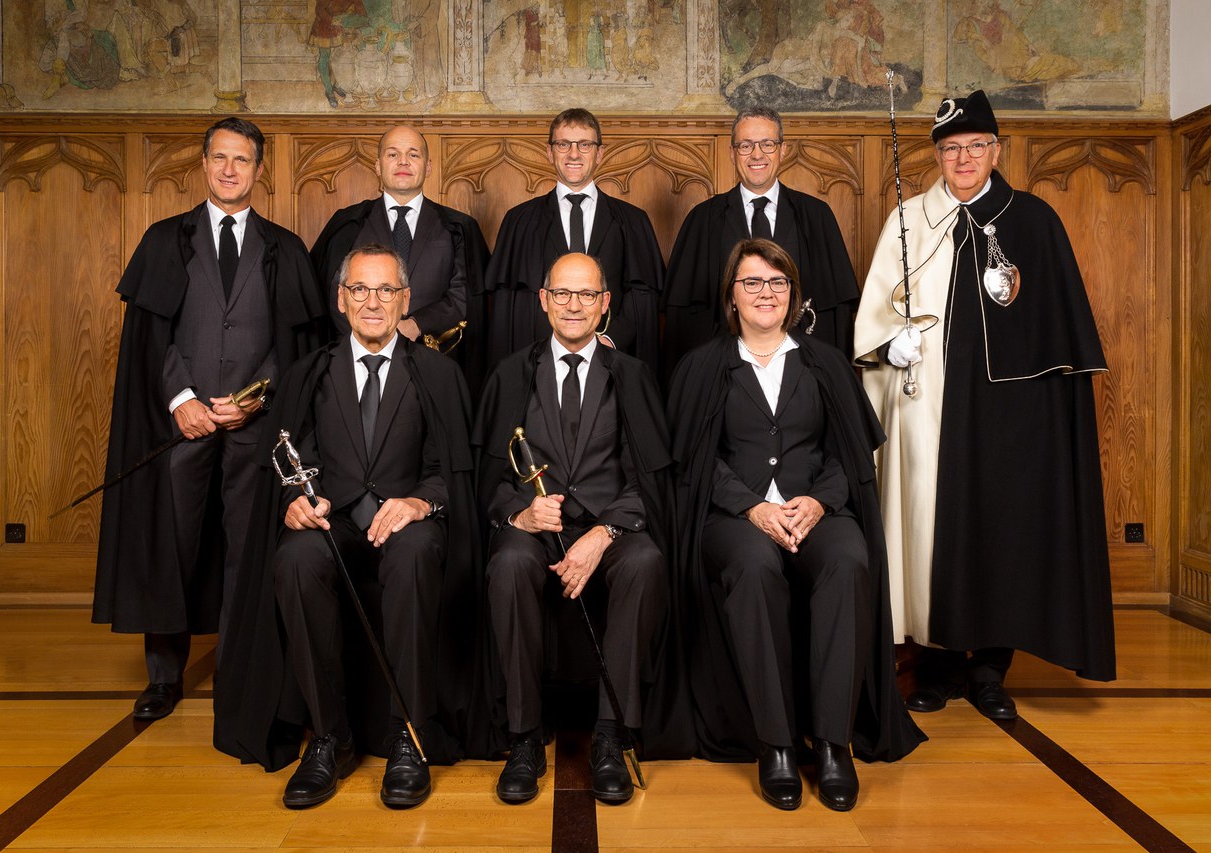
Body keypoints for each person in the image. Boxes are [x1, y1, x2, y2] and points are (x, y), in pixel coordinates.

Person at [853, 90, 1115, 721]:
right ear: (937, 156)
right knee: (928, 530)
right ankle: (938, 664)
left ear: (997, 151)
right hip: (927, 411)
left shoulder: (1034, 221)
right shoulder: (908, 220)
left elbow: (1057, 329)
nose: (964, 159)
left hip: (1013, 419)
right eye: (951, 148)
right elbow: (873, 320)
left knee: (1005, 532)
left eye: (976, 146)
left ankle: (991, 669)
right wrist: (892, 344)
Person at [213, 245, 486, 809]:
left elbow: (451, 473)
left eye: (386, 290)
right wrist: (294, 501)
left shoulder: (438, 374)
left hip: (408, 524)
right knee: (295, 557)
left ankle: (408, 736)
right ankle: (329, 736)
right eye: (360, 289)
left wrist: (419, 503)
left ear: (405, 300)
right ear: (341, 299)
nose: (372, 301)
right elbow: (292, 464)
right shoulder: (309, 373)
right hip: (334, 521)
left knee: (415, 554)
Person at [667, 238, 923, 811]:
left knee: (847, 561)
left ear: (793, 294)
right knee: (754, 566)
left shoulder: (824, 363)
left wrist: (819, 502)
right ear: (732, 296)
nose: (766, 293)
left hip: (815, 510)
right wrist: (750, 506)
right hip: (734, 518)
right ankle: (777, 743)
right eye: (752, 283)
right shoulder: (702, 366)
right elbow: (696, 460)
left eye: (777, 283)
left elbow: (848, 452)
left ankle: (833, 744)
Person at [93, 117, 329, 721]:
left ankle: (237, 671)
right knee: (171, 544)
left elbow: (295, 345)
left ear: (259, 170)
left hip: (255, 428)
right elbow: (151, 337)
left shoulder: (284, 249)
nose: (229, 170)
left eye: (242, 160)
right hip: (182, 426)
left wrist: (257, 396)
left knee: (247, 550)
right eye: (220, 158)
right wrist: (182, 400)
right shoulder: (164, 240)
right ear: (203, 164)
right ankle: (163, 677)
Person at [473, 253, 671, 805]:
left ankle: (611, 733)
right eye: (562, 293)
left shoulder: (632, 374)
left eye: (587, 295)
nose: (574, 305)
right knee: (508, 563)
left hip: (610, 527)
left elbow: (651, 479)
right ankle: (524, 736)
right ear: (544, 300)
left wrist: (605, 533)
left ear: (605, 303)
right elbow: (488, 477)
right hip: (536, 527)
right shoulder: (510, 374)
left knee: (645, 561)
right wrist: (521, 514)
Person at [662, 107, 859, 380]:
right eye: (746, 145)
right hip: (724, 375)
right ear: (732, 153)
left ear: (783, 150)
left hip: (803, 373)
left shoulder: (817, 216)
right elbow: (682, 323)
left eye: (767, 144)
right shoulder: (702, 220)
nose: (757, 154)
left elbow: (837, 315)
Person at [310, 125, 490, 392]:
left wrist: (416, 325)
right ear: (378, 166)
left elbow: (465, 295)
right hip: (357, 367)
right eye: (393, 154)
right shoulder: (347, 224)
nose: (403, 161)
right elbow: (332, 291)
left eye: (413, 155)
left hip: (434, 365)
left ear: (428, 167)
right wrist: (370, 336)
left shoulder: (458, 228)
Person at [485, 108, 666, 371]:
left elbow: (642, 299)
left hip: (611, 363)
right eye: (563, 144)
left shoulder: (633, 221)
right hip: (539, 365)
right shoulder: (519, 221)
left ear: (599, 153)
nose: (573, 154)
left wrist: (610, 341)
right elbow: (508, 309)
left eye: (584, 144)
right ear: (549, 152)